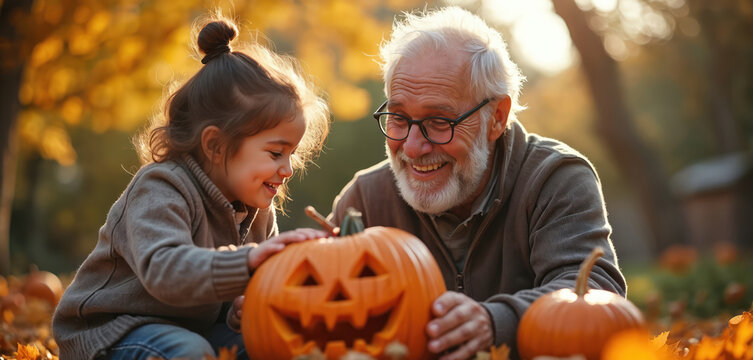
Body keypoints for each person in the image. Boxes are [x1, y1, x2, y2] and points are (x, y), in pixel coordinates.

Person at [328, 7, 627, 360]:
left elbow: (592, 290)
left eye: (438, 121)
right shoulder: (365, 199)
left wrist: (495, 321)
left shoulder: (555, 178)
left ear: (496, 117)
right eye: (398, 118)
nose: (411, 147)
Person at [52, 18, 330, 360]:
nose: (287, 170)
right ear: (215, 145)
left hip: (189, 328)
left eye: (292, 154)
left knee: (274, 343)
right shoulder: (161, 187)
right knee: (190, 351)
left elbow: (230, 293)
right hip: (114, 331)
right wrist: (248, 263)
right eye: (276, 153)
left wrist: (244, 307)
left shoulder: (257, 209)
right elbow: (166, 271)